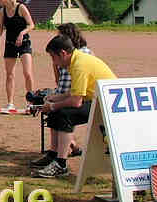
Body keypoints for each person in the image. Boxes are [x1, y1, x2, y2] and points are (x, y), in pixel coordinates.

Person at [31, 35, 116, 178]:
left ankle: (61, 164)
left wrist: (52, 106)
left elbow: (76, 102)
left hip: (107, 105)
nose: (54, 62)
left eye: (53, 57)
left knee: (64, 114)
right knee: (57, 112)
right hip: (99, 100)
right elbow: (76, 92)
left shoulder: (79, 65)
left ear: (63, 53)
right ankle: (53, 155)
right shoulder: (77, 60)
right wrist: (54, 98)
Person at [0, 0, 35, 113]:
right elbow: (0, 30)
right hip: (10, 44)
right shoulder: (2, 12)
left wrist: (22, 33)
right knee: (9, 75)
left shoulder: (21, 8)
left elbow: (31, 24)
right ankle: (10, 103)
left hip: (24, 43)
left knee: (27, 73)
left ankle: (30, 103)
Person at [51, 23, 92, 158]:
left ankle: (61, 158)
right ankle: (58, 151)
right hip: (68, 90)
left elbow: (76, 99)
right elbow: (58, 77)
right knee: (56, 116)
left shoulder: (81, 56)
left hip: (82, 94)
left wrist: (54, 104)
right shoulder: (64, 56)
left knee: (63, 115)